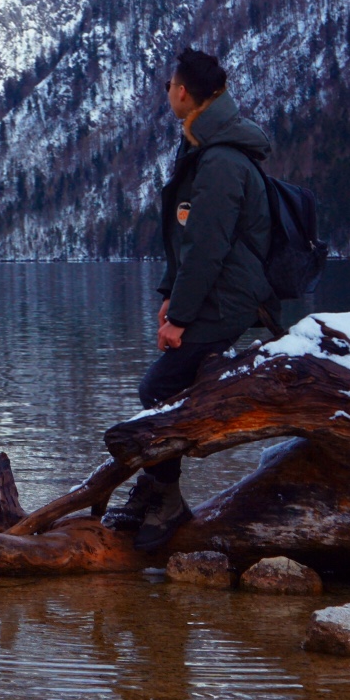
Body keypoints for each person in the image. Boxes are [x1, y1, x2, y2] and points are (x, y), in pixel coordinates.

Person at [106, 47, 274, 552]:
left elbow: (208, 247)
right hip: (217, 289)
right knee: (162, 388)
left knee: (157, 388)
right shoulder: (205, 145)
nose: (167, 92)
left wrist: (179, 318)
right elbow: (188, 237)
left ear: (183, 92)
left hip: (230, 296)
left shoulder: (220, 160)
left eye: (169, 85)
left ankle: (167, 496)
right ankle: (154, 487)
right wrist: (167, 295)